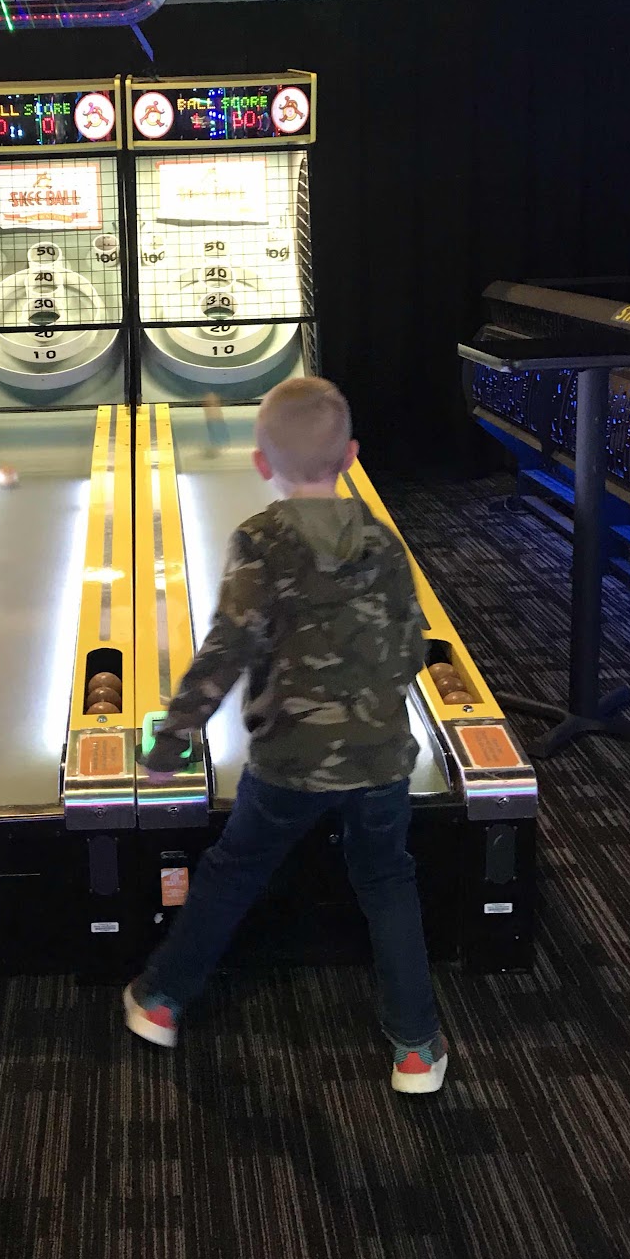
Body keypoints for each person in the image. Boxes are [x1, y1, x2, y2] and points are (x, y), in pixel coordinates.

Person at [124, 376, 447, 1094]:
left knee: (233, 871)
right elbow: (411, 645)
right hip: (381, 758)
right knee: (387, 882)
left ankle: (162, 1000)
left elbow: (227, 647)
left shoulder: (261, 541)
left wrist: (172, 741)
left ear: (261, 463)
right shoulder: (382, 540)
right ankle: (416, 1049)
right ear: (351, 455)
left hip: (288, 763)